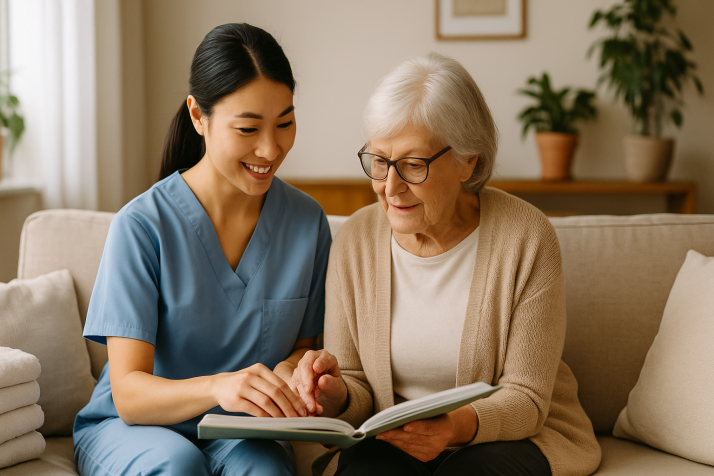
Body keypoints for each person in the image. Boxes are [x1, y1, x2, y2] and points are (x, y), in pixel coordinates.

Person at [288, 53, 601, 476]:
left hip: (509, 438)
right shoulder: (355, 241)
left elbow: (526, 398)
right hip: (394, 441)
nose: (390, 188)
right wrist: (335, 394)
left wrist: (453, 427)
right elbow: (358, 384)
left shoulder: (527, 237)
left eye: (414, 165)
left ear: (468, 160)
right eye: (379, 162)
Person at [73, 23, 331, 476]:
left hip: (242, 431)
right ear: (198, 116)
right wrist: (221, 387)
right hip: (133, 429)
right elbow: (130, 394)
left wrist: (297, 374)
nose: (270, 148)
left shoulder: (307, 223)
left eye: (285, 123)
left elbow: (301, 348)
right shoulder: (141, 226)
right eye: (248, 128)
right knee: (177, 464)